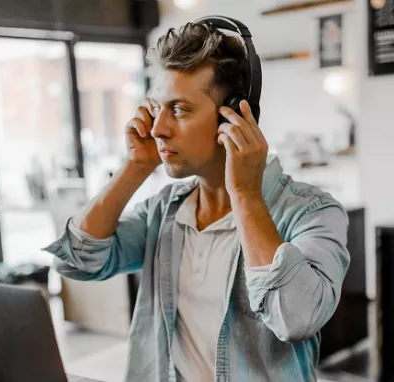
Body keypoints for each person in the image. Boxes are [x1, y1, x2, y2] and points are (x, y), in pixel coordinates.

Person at [43, 18, 350, 382]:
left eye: (180, 109)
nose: (158, 128)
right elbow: (80, 261)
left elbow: (296, 318)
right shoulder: (165, 210)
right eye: (157, 108)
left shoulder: (312, 214)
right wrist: (135, 167)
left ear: (234, 115)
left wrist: (246, 195)